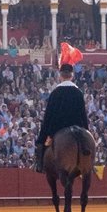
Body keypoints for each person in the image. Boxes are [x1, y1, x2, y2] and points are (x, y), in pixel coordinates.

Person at [34, 46, 89, 174]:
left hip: (57, 127)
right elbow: (83, 114)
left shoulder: (55, 93)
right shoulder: (78, 93)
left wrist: (44, 132)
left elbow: (49, 115)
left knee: (41, 142)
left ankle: (39, 164)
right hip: (76, 126)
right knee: (88, 144)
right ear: (72, 76)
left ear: (60, 76)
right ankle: (89, 163)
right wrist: (86, 130)